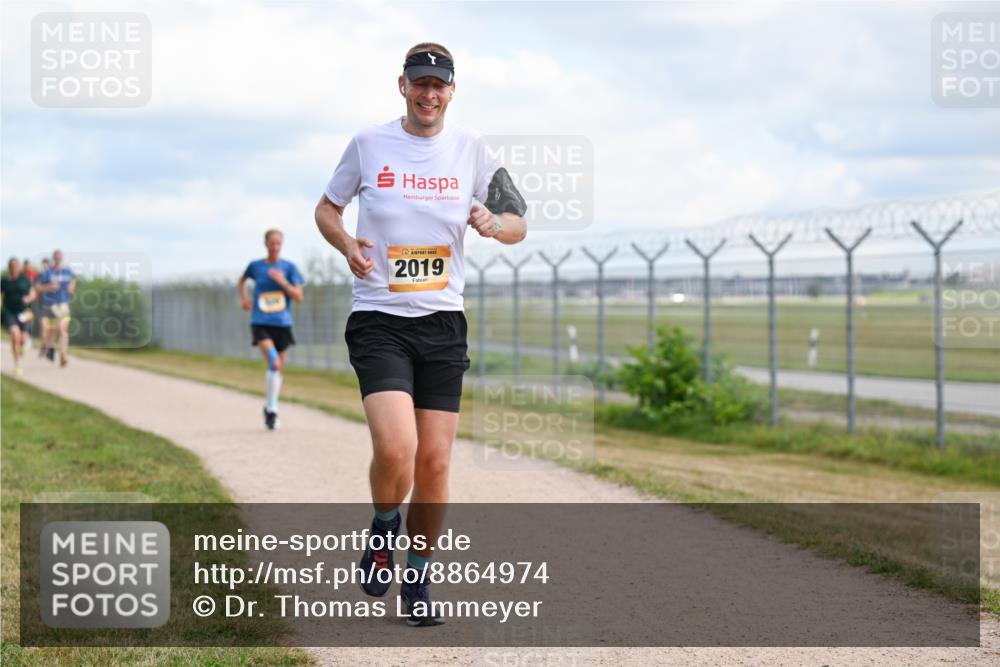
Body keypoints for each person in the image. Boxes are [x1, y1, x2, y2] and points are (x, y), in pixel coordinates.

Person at [315, 42, 527, 626]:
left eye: (440, 84)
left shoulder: (472, 150)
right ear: (402, 85)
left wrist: (493, 221)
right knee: (396, 448)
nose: (429, 93)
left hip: (443, 323)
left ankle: (418, 575)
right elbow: (327, 209)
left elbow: (519, 222)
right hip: (380, 318)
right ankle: (385, 524)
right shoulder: (368, 143)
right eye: (419, 83)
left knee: (434, 463)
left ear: (452, 90)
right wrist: (345, 245)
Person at [239, 229, 304, 430]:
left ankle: (269, 406)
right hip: (261, 321)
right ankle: (273, 408)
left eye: (278, 243)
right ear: (265, 244)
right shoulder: (256, 266)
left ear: (281, 245)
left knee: (276, 368)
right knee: (274, 363)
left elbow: (298, 296)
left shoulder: (289, 268)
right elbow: (242, 281)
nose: (275, 247)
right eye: (271, 243)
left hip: (282, 323)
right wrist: (245, 299)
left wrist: (282, 281)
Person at [36, 250, 74, 367]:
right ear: (53, 258)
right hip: (49, 306)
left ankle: (63, 356)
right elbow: (38, 287)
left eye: (60, 257)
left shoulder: (67, 271)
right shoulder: (47, 272)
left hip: (63, 305)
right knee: (48, 331)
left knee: (62, 331)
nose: (58, 259)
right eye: (56, 257)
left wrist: (71, 287)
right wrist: (48, 286)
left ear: (62, 258)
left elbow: (72, 282)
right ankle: (45, 346)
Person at [1, 258, 37, 376]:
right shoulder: (4, 281)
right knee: (15, 336)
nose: (13, 267)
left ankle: (24, 345)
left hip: (24, 312)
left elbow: (33, 293)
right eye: (11, 265)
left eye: (15, 265)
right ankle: (17, 365)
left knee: (23, 339)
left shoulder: (24, 279)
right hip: (10, 311)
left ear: (19, 267)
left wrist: (29, 298)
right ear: (9, 267)